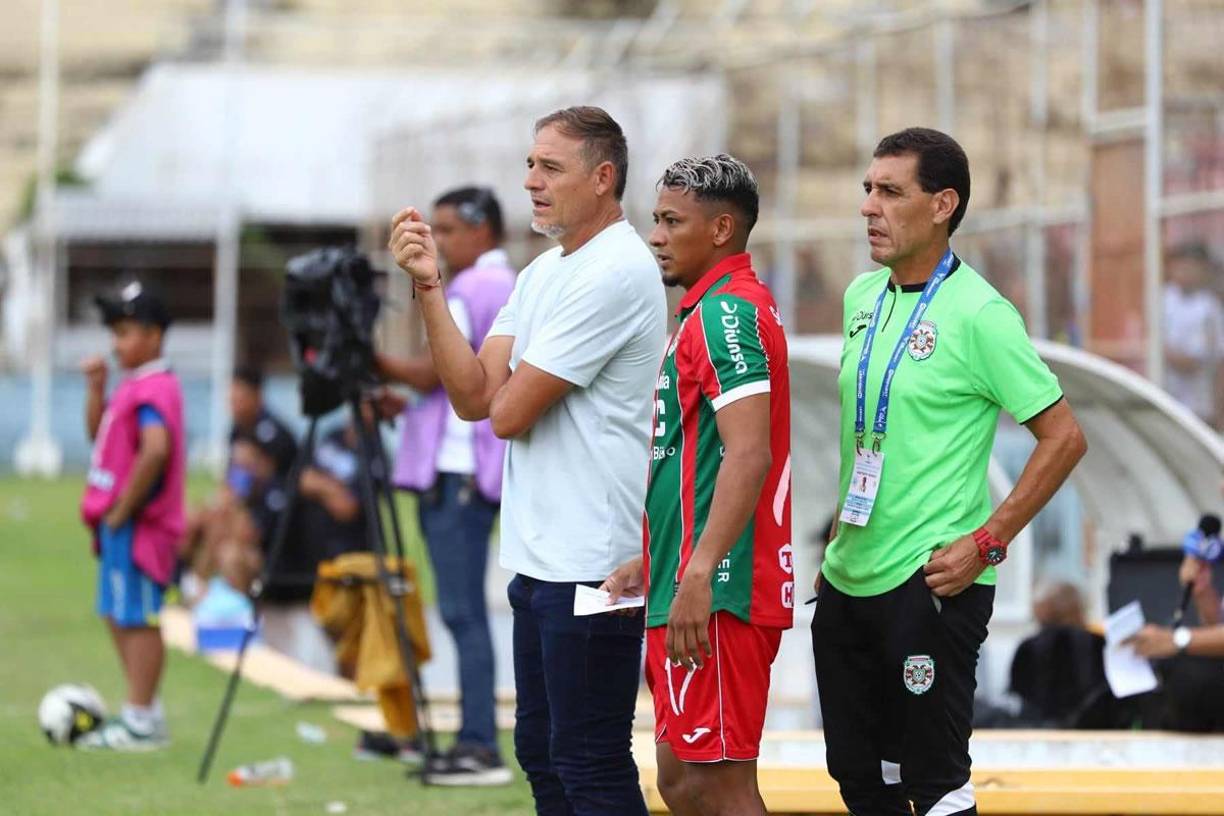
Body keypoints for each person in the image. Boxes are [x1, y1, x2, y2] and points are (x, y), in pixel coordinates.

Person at [389, 106, 666, 815]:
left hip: (596, 563)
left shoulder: (617, 269)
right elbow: (473, 397)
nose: (530, 182)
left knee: (591, 762)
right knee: (543, 753)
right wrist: (428, 285)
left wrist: (499, 386)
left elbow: (507, 414)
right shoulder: (546, 269)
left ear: (603, 179)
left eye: (550, 167)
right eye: (529, 165)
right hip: (540, 560)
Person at [811, 127, 1087, 816]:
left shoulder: (981, 315)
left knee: (933, 785)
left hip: (931, 582)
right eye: (868, 190)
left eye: (891, 192)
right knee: (859, 777)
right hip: (849, 576)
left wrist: (987, 542)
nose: (870, 207)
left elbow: (1064, 437)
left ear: (942, 205)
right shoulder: (860, 300)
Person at [600, 154, 791, 816]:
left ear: (720, 229)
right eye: (655, 219)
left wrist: (700, 571)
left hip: (720, 592)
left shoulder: (726, 316)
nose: (655, 235)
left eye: (672, 221)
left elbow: (748, 454)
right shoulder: (706, 312)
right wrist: (657, 562)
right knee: (681, 782)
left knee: (721, 784)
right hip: (688, 576)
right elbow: (699, 459)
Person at [377, 185, 515, 785]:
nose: (437, 241)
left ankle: (479, 745)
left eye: (448, 229)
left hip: (457, 475)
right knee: (465, 614)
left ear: (482, 229)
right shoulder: (505, 283)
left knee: (462, 614)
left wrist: (369, 356)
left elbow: (440, 372)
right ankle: (473, 738)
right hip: (472, 472)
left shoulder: (470, 288)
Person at [77, 280, 186, 750]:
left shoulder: (156, 389)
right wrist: (97, 388)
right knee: (117, 613)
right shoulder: (133, 385)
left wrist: (123, 510)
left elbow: (156, 451)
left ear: (154, 336)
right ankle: (144, 709)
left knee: (138, 617)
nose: (116, 343)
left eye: (125, 333)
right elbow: (97, 434)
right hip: (119, 525)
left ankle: (140, 719)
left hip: (139, 527)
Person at [1162, 243, 1224, 429]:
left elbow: (1202, 360)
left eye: (1191, 266)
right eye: (1180, 266)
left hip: (1199, 407)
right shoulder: (1162, 299)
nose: (1185, 272)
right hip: (1165, 402)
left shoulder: (1210, 307)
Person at [228, 364, 298, 480]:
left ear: (257, 396)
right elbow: (233, 479)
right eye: (232, 401)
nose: (234, 408)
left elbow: (281, 475)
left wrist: (252, 462)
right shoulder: (236, 431)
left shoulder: (275, 432)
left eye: (239, 400)